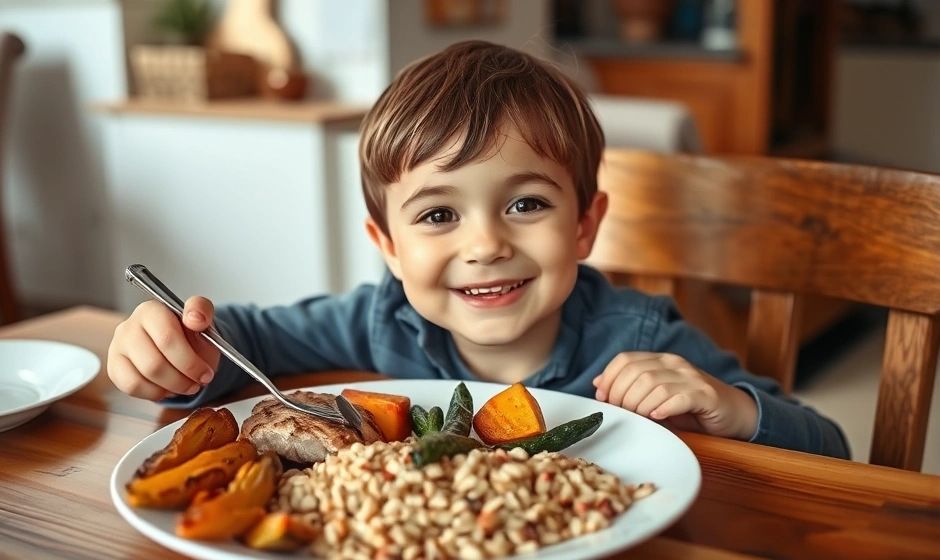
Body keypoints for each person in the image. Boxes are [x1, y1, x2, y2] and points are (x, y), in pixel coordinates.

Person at [107, 40, 850, 459]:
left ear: (586, 225)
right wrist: (177, 356)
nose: (487, 243)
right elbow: (249, 342)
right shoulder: (380, 321)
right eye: (437, 215)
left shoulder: (640, 336)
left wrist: (731, 409)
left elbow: (831, 449)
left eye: (526, 204)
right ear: (388, 247)